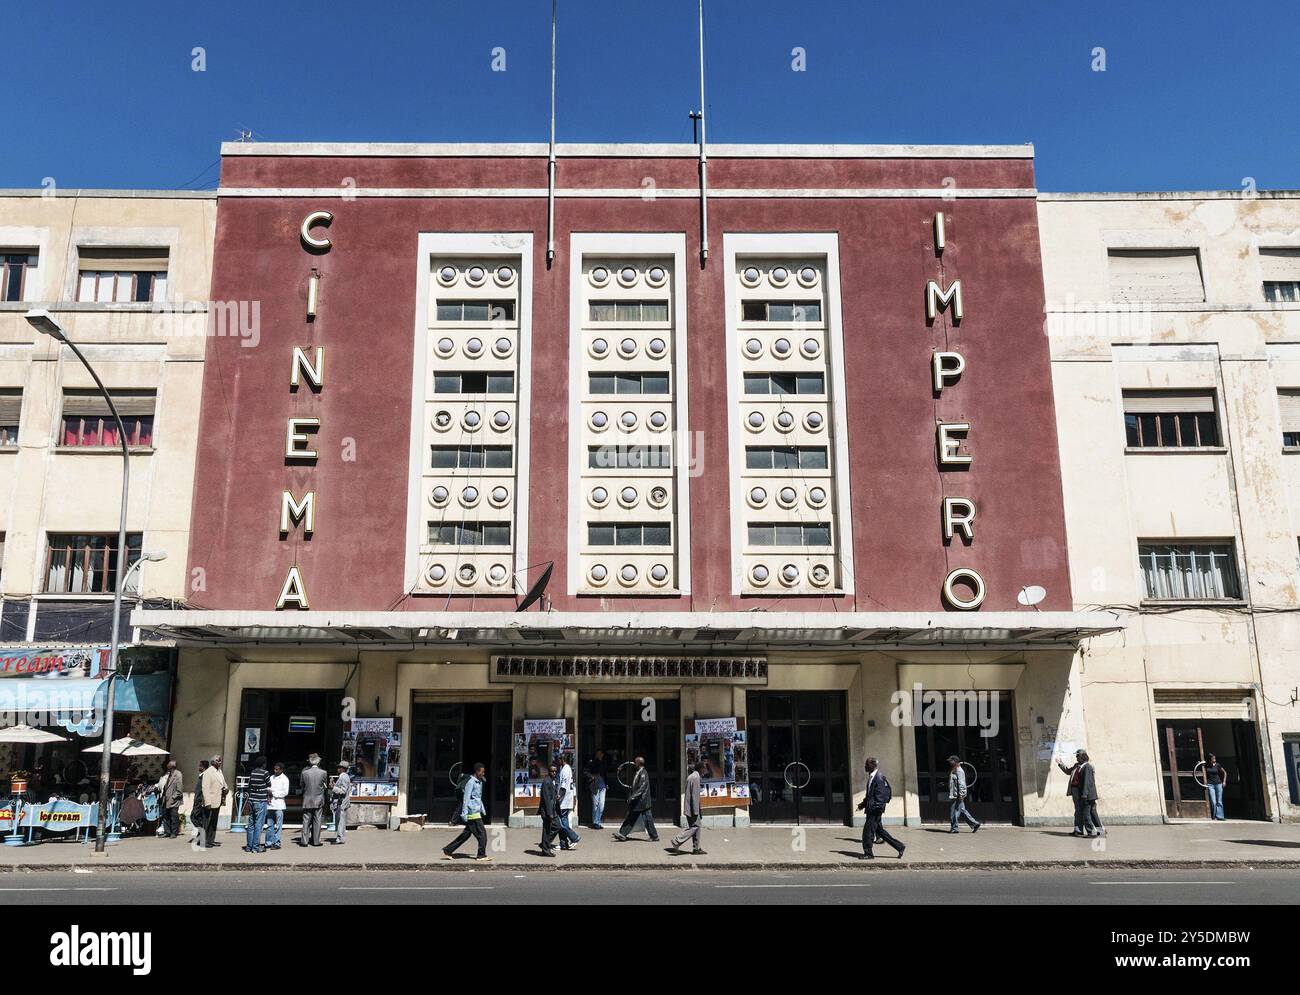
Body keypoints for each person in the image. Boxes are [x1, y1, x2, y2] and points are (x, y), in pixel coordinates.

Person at [442, 762, 491, 861]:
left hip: (476, 811)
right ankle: (481, 855)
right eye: (482, 772)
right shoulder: (470, 782)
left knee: (466, 834)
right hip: (472, 813)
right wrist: (464, 813)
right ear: (477, 771)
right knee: (482, 835)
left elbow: (477, 797)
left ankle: (448, 850)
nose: (483, 774)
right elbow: (466, 798)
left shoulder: (479, 782)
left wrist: (482, 808)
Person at [858, 757, 905, 859]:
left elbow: (880, 797)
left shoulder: (878, 778)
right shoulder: (872, 777)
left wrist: (875, 809)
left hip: (874, 811)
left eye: (867, 764)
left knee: (868, 832)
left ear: (872, 765)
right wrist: (862, 805)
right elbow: (870, 795)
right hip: (872, 809)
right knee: (880, 832)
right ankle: (900, 846)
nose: (865, 766)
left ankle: (868, 854)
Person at [1057, 749, 1103, 837]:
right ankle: (1078, 830)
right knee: (1078, 811)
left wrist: (1084, 794)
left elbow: (1087, 782)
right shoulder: (1077, 766)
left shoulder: (1088, 767)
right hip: (1076, 792)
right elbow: (1068, 771)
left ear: (1082, 756)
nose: (1076, 758)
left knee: (1089, 813)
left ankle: (1097, 831)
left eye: (1077, 756)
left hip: (1084, 792)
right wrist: (1060, 763)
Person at [613, 756, 658, 842]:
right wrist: (620, 769)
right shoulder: (639, 771)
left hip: (642, 801)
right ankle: (622, 834)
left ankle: (654, 836)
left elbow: (641, 788)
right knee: (631, 817)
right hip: (639, 801)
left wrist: (632, 797)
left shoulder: (643, 773)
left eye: (635, 762)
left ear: (638, 763)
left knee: (647, 819)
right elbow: (628, 767)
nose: (634, 763)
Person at [669, 760, 706, 855]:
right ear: (701, 769)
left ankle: (696, 848)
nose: (705, 770)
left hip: (691, 807)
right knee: (695, 826)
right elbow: (694, 795)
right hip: (693, 808)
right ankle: (677, 840)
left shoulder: (692, 776)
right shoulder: (696, 777)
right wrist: (695, 811)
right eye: (704, 768)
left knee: (696, 827)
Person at [198, 755, 228, 849]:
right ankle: (203, 841)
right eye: (218, 761)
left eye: (220, 760)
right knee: (207, 822)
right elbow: (205, 788)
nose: (220, 762)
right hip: (210, 801)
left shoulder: (219, 771)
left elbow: (223, 782)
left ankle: (211, 840)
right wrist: (207, 802)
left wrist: (226, 788)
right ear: (213, 762)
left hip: (217, 801)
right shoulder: (208, 772)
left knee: (213, 822)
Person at [243, 756, 271, 853]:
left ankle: (248, 846)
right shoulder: (265, 773)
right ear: (263, 764)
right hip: (260, 801)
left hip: (252, 800)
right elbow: (269, 785)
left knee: (251, 824)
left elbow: (250, 785)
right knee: (259, 825)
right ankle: (255, 847)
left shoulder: (253, 772)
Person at [947, 755, 981, 834]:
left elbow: (962, 784)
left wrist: (962, 794)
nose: (949, 762)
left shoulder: (959, 771)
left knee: (954, 812)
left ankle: (954, 828)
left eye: (951, 761)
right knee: (962, 810)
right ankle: (975, 824)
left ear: (955, 761)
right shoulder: (954, 769)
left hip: (957, 796)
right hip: (955, 795)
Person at [299, 753, 327, 847]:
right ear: (318, 762)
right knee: (317, 820)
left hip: (307, 799)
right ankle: (316, 841)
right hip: (318, 800)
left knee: (306, 821)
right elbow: (325, 785)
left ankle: (304, 841)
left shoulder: (304, 773)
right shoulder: (323, 773)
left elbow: (302, 785)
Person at [556, 756, 580, 851]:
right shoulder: (566, 769)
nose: (558, 761)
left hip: (564, 800)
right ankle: (563, 843)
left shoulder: (566, 769)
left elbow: (564, 785)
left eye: (559, 760)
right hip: (566, 800)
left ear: (562, 760)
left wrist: (559, 796)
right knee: (562, 821)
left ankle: (574, 837)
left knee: (561, 822)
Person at [264, 762, 289, 849]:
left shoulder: (285, 779)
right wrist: (268, 792)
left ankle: (277, 843)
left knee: (278, 825)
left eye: (277, 769)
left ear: (281, 770)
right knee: (270, 825)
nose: (275, 770)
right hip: (270, 804)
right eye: (274, 769)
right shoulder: (271, 777)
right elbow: (268, 787)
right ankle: (268, 842)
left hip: (279, 805)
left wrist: (273, 793)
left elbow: (285, 792)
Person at [538, 763, 561, 857]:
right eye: (552, 771)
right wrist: (550, 813)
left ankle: (544, 845)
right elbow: (546, 799)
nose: (554, 773)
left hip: (552, 810)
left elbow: (551, 797)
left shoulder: (552, 781)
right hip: (548, 811)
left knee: (557, 826)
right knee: (547, 829)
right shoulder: (547, 781)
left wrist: (556, 797)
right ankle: (545, 849)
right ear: (549, 771)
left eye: (555, 771)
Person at [155, 761, 183, 839]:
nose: (167, 766)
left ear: (171, 766)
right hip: (166, 799)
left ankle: (174, 832)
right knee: (166, 815)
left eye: (168, 765)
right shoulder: (168, 774)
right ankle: (167, 832)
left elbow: (179, 789)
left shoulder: (178, 774)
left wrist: (173, 797)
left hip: (174, 800)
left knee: (173, 816)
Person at [330, 760, 351, 844]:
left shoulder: (344, 777)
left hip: (341, 802)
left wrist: (333, 787)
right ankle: (340, 837)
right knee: (339, 820)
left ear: (343, 768)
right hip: (340, 801)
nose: (337, 769)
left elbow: (343, 790)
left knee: (340, 820)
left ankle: (340, 838)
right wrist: (335, 784)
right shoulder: (342, 776)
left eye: (339, 767)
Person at [189, 760, 209, 844]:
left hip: (199, 801)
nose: (198, 767)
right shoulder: (201, 776)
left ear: (202, 767)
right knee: (197, 818)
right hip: (197, 800)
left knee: (193, 817)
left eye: (200, 766)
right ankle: (201, 835)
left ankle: (202, 834)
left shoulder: (204, 776)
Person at [586, 750, 607, 829]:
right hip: (595, 785)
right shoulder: (592, 763)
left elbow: (605, 774)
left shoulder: (603, 763)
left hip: (603, 786)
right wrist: (592, 777)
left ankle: (598, 821)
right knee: (595, 804)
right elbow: (585, 771)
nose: (601, 755)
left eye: (602, 754)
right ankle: (596, 822)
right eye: (600, 754)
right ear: (597, 755)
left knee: (601, 805)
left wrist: (607, 784)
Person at [1204, 753, 1226, 820]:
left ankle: (1220, 816)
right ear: (1209, 759)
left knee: (1219, 800)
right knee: (1213, 801)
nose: (1214, 759)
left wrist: (1224, 781)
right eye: (1213, 758)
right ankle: (1213, 816)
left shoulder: (1217, 765)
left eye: (1214, 758)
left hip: (1218, 784)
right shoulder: (1206, 765)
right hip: (1210, 784)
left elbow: (1224, 772)